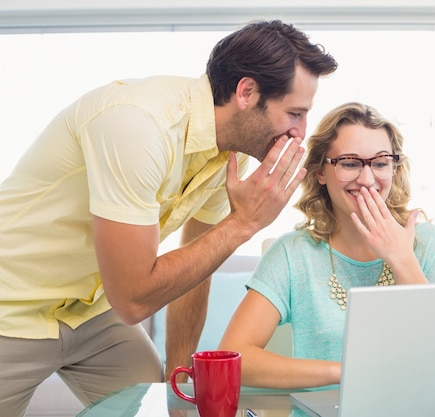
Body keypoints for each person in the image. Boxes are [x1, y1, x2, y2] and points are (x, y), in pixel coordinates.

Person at [0, 20, 337, 416]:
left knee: (158, 408)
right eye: (294, 113)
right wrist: (244, 224)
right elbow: (132, 300)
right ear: (246, 92)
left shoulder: (225, 153)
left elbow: (199, 263)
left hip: (89, 315)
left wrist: (180, 390)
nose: (300, 133)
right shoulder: (138, 125)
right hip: (12, 307)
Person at [219, 102, 435, 390]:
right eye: (349, 163)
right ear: (321, 172)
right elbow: (233, 358)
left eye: (381, 163)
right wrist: (346, 372)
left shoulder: (431, 244)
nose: (368, 179)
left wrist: (402, 260)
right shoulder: (293, 254)